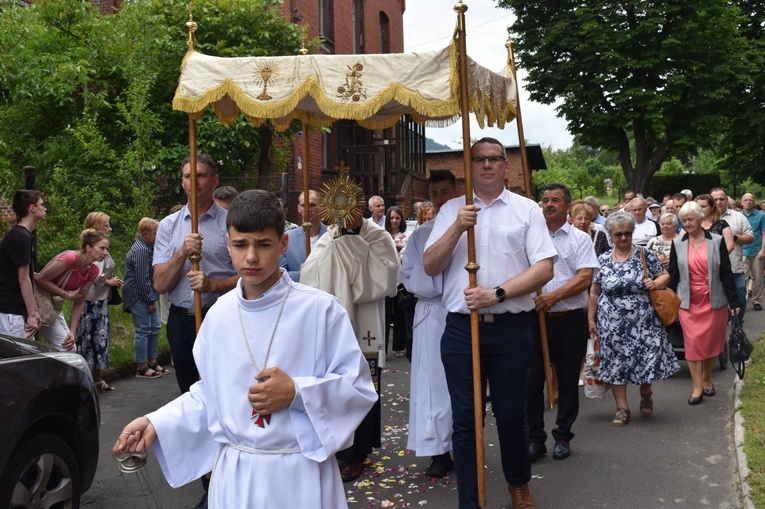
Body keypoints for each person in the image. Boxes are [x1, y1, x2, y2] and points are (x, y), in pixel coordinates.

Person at [113, 190, 377, 508]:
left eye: (263, 244)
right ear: (228, 245)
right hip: (235, 475)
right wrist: (158, 422)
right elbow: (210, 395)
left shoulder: (321, 311)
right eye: (241, 244)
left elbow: (357, 388)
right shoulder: (219, 317)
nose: (251, 257)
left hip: (299, 474)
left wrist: (296, 392)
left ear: (282, 245)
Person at [423, 137, 557, 509]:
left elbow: (544, 267)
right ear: (470, 166)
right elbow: (431, 265)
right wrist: (456, 229)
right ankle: (470, 498)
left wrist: (496, 293)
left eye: (493, 158)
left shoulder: (526, 210)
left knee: (511, 413)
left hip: (510, 327)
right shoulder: (452, 210)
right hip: (461, 330)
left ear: (505, 165)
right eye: (478, 159)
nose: (486, 165)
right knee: (466, 420)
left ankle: (518, 484)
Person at [301, 183, 398, 483]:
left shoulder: (377, 236)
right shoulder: (329, 238)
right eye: (342, 208)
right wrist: (338, 250)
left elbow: (388, 277)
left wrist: (351, 251)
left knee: (364, 384)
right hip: (335, 323)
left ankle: (358, 452)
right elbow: (308, 273)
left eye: (353, 207)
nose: (348, 214)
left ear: (361, 208)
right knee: (337, 384)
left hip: (366, 322)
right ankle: (340, 447)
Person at [153, 153, 239, 395]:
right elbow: (159, 284)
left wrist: (212, 285)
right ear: (182, 182)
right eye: (188, 176)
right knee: (189, 390)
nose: (194, 182)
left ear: (214, 181)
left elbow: (247, 277)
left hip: (220, 315)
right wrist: (182, 252)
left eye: (201, 176)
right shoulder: (168, 226)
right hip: (180, 320)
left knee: (222, 386)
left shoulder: (230, 223)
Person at [587, 212, 679, 426]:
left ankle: (646, 392)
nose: (623, 238)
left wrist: (656, 284)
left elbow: (665, 275)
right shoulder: (602, 259)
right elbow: (594, 291)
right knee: (615, 362)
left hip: (644, 321)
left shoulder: (644, 254)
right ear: (610, 235)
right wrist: (591, 319)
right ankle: (622, 408)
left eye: (627, 233)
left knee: (645, 357)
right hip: (611, 322)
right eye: (618, 234)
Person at [528, 184, 598, 462]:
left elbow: (585, 277)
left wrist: (553, 296)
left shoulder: (579, 239)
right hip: (534, 320)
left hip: (568, 319)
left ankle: (563, 435)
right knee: (531, 381)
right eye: (545, 200)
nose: (548, 204)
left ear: (568, 207)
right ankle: (535, 438)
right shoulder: (531, 237)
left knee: (568, 380)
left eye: (555, 200)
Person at [401, 171, 459, 478]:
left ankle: (463, 441)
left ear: (456, 192)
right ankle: (438, 449)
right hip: (431, 313)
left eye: (446, 191)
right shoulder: (421, 235)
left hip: (461, 311)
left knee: (462, 385)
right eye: (435, 193)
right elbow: (411, 276)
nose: (441, 198)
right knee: (432, 384)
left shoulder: (469, 229)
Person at [668, 202, 738, 405]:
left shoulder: (716, 241)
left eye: (691, 219)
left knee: (712, 344)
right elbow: (673, 274)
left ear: (700, 219)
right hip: (688, 302)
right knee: (693, 344)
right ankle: (697, 386)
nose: (687, 223)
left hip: (714, 300)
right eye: (684, 220)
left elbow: (726, 272)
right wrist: (670, 300)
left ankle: (707, 378)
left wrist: (734, 301)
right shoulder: (678, 243)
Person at [36, 229, 108, 354]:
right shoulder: (70, 258)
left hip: (52, 305)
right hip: (36, 301)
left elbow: (79, 301)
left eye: (107, 249)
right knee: (24, 346)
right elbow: (41, 279)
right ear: (88, 248)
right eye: (102, 248)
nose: (105, 253)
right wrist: (66, 295)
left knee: (69, 348)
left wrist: (72, 331)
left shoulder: (93, 271)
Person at [76, 212, 124, 392]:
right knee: (90, 341)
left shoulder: (103, 249)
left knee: (100, 341)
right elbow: (91, 272)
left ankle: (97, 379)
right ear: (96, 227)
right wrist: (108, 282)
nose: (110, 228)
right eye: (106, 225)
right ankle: (87, 381)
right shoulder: (94, 251)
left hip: (100, 300)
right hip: (91, 302)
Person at [123, 217, 165, 379]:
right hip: (138, 295)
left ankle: (151, 360)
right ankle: (141, 366)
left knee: (155, 327)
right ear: (145, 234)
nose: (158, 236)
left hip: (149, 294)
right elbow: (142, 278)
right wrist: (150, 300)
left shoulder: (149, 247)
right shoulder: (141, 250)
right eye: (156, 233)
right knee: (143, 329)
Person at [0, 190, 45, 337]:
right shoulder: (21, 236)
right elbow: (23, 278)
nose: (44, 209)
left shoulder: (21, 235)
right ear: (32, 208)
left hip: (13, 311)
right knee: (18, 358)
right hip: (12, 313)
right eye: (42, 205)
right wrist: (33, 314)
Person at [710, 187, 753, 323]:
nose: (718, 202)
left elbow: (750, 237)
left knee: (740, 296)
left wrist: (733, 237)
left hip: (734, 266)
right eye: (715, 199)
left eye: (722, 199)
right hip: (711, 269)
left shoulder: (738, 217)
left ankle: (737, 325)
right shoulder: (704, 218)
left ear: (727, 199)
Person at [280, 190, 327, 282]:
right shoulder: (288, 238)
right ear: (298, 208)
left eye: (312, 205)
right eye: (303, 205)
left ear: (321, 207)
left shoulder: (331, 235)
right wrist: (304, 274)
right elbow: (280, 273)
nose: (308, 209)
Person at [385, 205, 410, 357]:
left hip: (401, 279)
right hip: (386, 279)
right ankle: (383, 346)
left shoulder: (408, 235)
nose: (394, 221)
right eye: (392, 218)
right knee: (386, 314)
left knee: (400, 314)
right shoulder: (382, 235)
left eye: (397, 218)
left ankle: (399, 346)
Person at [740, 193, 765, 311]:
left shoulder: (761, 215)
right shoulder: (738, 216)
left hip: (757, 250)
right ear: (741, 202)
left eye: (751, 200)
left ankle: (757, 301)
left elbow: (764, 233)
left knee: (758, 278)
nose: (749, 202)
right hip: (742, 251)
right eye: (746, 200)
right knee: (741, 278)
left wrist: (763, 249)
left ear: (754, 202)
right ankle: (741, 300)